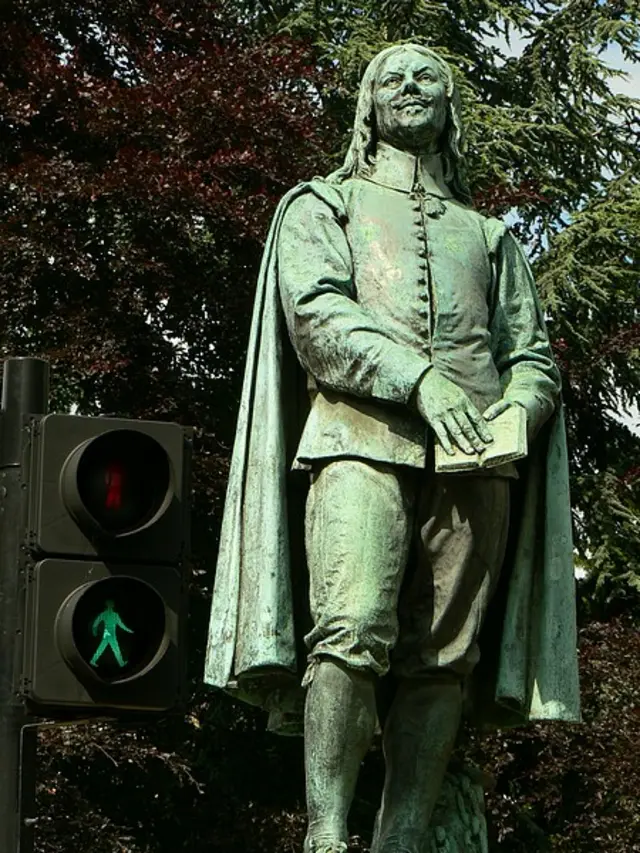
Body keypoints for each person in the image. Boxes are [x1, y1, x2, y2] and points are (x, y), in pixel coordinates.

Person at [204, 44, 580, 853]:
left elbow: (534, 358)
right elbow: (316, 316)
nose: (410, 88)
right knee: (351, 628)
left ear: (449, 110)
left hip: (479, 464)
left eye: (428, 81)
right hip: (357, 440)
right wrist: (420, 380)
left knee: (445, 657)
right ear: (366, 105)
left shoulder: (488, 236)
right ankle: (328, 834)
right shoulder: (321, 206)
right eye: (392, 79)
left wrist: (517, 411)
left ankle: (403, 838)